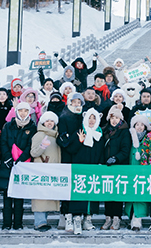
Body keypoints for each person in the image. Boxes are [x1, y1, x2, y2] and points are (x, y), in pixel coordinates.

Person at [0, 102, 36, 230]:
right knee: (7, 195)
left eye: (25, 110)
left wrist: (21, 159)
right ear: (17, 111)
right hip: (8, 164)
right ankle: (6, 223)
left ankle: (18, 223)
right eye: (21, 110)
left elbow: (31, 145)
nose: (23, 113)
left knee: (19, 196)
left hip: (22, 165)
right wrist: (7, 157)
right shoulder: (8, 125)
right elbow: (3, 142)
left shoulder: (32, 127)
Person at [64, 108, 104, 234]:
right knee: (79, 193)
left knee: (92, 193)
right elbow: (70, 150)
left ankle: (88, 219)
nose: (91, 121)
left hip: (94, 169)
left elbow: (102, 152)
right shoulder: (79, 132)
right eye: (89, 118)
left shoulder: (99, 134)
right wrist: (79, 141)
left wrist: (101, 164)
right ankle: (76, 218)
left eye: (94, 118)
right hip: (79, 169)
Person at [57, 92, 85, 230]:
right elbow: (63, 139)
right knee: (67, 186)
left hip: (81, 155)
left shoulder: (84, 117)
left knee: (78, 186)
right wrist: (74, 141)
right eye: (74, 102)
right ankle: (66, 215)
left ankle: (77, 216)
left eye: (79, 102)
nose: (76, 104)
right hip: (68, 155)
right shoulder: (64, 116)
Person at [101, 106, 132, 230]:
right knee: (108, 193)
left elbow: (125, 150)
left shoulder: (124, 131)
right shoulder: (104, 130)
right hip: (106, 167)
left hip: (119, 166)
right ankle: (108, 218)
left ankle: (116, 218)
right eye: (112, 117)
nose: (114, 120)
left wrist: (116, 158)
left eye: (117, 117)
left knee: (117, 193)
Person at [30, 111, 61, 231]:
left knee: (48, 196)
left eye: (51, 121)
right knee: (40, 197)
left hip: (53, 170)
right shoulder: (40, 135)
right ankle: (39, 222)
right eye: (47, 121)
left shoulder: (56, 135)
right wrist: (42, 146)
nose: (49, 123)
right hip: (41, 170)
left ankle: (43, 221)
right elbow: (33, 152)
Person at [127, 114, 151, 231]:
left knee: (140, 195)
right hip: (130, 170)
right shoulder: (128, 137)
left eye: (142, 125)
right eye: (137, 124)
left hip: (143, 172)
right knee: (130, 195)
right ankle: (130, 217)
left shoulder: (148, 138)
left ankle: (137, 220)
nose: (140, 127)